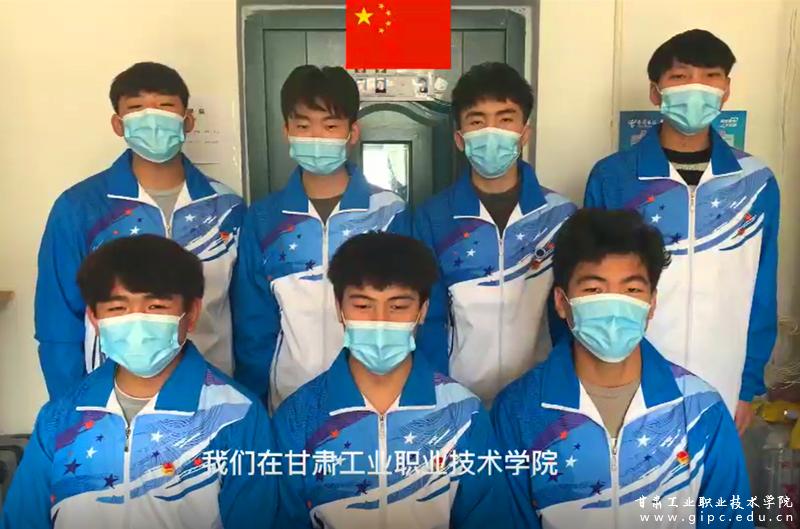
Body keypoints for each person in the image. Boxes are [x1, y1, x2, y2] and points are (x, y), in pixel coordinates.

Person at [492, 209, 753, 529]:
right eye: (594, 290)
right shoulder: (517, 412)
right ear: (561, 302)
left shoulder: (701, 410)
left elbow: (730, 520)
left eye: (632, 290)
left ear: (651, 303)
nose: (614, 307)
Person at [2, 236, 276, 529]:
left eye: (156, 306)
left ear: (192, 313)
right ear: (94, 318)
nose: (136, 322)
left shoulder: (238, 415)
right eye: (117, 309)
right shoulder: (59, 418)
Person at [584, 29, 779, 432]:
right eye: (680, 76)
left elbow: (762, 287)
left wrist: (748, 386)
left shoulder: (755, 182)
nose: (696, 88)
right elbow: (588, 285)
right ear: (655, 92)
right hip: (629, 376)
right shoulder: (614, 178)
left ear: (726, 89)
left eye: (710, 76)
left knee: (712, 472)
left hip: (723, 378)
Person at [273, 233, 514, 529]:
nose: (380, 321)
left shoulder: (464, 413)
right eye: (363, 306)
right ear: (339, 308)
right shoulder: (297, 418)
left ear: (422, 311)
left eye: (398, 307)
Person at [35, 62, 244, 399]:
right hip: (111, 397)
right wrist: (72, 406)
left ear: (188, 120)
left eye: (165, 105)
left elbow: (248, 314)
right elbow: (57, 321)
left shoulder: (227, 208)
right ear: (118, 124)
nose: (152, 118)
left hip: (212, 393)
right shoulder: (81, 208)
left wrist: (246, 397)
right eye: (136, 108)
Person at [232, 65, 410, 410]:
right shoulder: (264, 219)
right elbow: (254, 323)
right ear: (286, 131)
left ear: (352, 132)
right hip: (289, 396)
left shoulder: (389, 212)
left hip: (373, 397)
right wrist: (255, 403)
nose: (316, 137)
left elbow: (410, 309)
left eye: (330, 126)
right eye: (303, 126)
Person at [414, 62, 576, 405]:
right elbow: (429, 319)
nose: (492, 132)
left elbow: (570, 316)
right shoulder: (433, 218)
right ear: (460, 138)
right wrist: (440, 392)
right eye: (477, 121)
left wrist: (560, 387)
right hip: (460, 397)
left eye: (505, 119)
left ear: (524, 132)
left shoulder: (560, 216)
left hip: (540, 398)